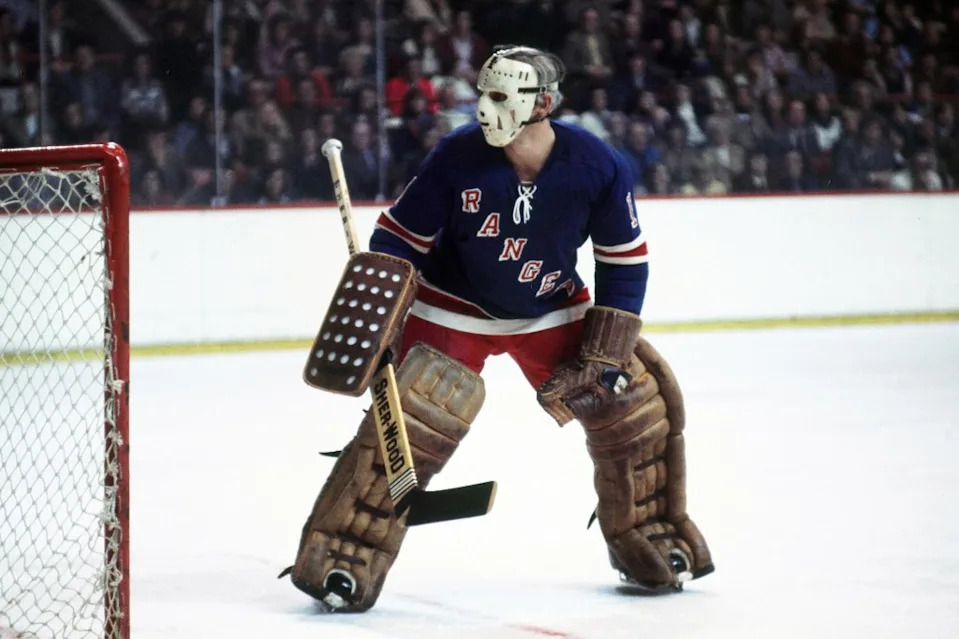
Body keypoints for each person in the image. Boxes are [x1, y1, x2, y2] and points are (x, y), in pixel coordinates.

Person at [286, 45, 713, 612]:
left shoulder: (597, 165)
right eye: (483, 93)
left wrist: (609, 348)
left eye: (499, 95)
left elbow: (623, 258)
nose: (484, 107)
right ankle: (346, 550)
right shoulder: (455, 156)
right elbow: (399, 241)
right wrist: (383, 306)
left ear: (544, 104)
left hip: (549, 307)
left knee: (633, 402)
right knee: (414, 417)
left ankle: (649, 533)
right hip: (452, 305)